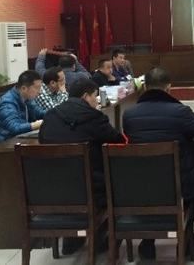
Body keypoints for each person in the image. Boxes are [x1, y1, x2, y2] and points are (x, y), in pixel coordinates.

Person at [122, 67, 194, 260]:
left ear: (145, 87)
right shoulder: (180, 112)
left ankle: (148, 242)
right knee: (193, 174)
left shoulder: (129, 115)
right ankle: (187, 242)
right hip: (178, 187)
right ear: (169, 88)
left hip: (140, 186)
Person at [39, 78, 125, 255]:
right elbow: (118, 141)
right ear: (86, 97)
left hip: (51, 188)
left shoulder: (50, 116)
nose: (97, 101)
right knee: (118, 181)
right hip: (91, 188)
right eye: (95, 96)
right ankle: (101, 238)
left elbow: (42, 142)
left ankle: (72, 239)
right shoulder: (94, 117)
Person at [0, 70, 46, 152]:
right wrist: (37, 124)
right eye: (37, 88)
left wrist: (56, 113)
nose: (40, 92)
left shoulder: (26, 98)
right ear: (24, 88)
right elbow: (15, 128)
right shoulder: (7, 103)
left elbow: (39, 113)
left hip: (14, 140)